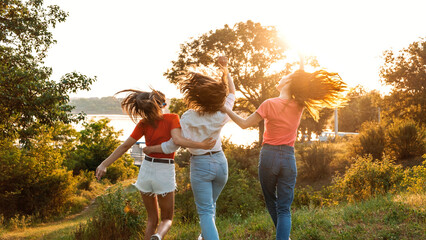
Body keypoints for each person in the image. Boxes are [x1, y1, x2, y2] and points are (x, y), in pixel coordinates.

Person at [221, 61, 346, 240]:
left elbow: (243, 124)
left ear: (288, 82)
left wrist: (225, 109)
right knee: (284, 208)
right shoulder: (299, 105)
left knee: (271, 200)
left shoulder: (269, 103)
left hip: (269, 156)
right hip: (288, 158)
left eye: (285, 76)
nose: (281, 77)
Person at [95, 89, 216, 240]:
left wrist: (104, 164)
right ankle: (158, 236)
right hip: (164, 170)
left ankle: (154, 235)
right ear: (162, 104)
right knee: (167, 218)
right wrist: (202, 145)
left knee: (152, 219)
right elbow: (177, 140)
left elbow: (124, 146)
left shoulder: (143, 123)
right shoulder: (172, 118)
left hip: (146, 171)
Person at [143, 56, 235, 240]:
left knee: (206, 211)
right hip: (220, 164)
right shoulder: (223, 113)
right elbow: (232, 92)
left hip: (201, 165)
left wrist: (151, 148)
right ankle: (204, 236)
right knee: (210, 206)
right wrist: (226, 71)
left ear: (196, 97)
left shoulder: (187, 117)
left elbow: (173, 144)